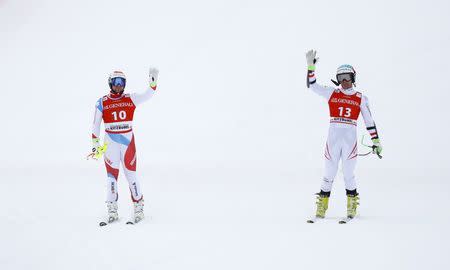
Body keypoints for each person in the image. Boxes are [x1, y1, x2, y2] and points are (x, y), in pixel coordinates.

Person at [305, 50, 382, 221]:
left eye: (347, 77)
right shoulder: (332, 93)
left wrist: (376, 141)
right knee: (328, 173)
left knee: (348, 174)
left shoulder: (361, 98)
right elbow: (313, 86)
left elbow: (369, 121)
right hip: (333, 142)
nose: (344, 81)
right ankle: (322, 206)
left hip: (350, 142)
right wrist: (311, 66)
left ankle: (352, 206)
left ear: (353, 78)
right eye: (341, 78)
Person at [89, 68, 159, 224]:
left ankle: (138, 207)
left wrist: (153, 82)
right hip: (110, 143)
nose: (119, 86)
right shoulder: (102, 102)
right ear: (110, 83)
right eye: (116, 82)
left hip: (127, 143)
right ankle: (112, 209)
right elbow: (95, 124)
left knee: (131, 175)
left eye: (122, 83)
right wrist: (95, 143)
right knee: (111, 178)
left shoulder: (130, 98)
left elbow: (147, 95)